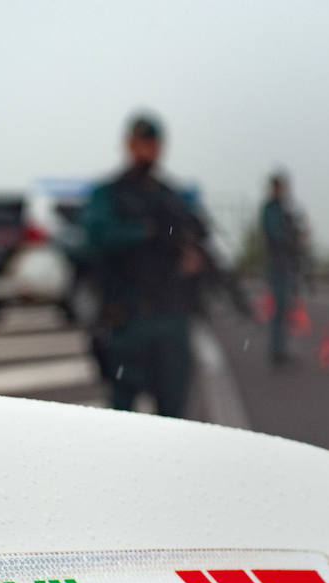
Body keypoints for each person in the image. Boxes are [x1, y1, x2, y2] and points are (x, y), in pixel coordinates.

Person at [81, 114, 207, 418]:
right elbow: (95, 239)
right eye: (140, 143)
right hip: (126, 322)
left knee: (174, 420)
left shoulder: (172, 197)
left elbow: (196, 247)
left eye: (151, 144)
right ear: (128, 145)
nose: (145, 151)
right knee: (123, 421)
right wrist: (147, 232)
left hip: (170, 320)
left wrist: (190, 255)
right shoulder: (108, 194)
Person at [260, 172, 303, 365]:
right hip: (277, 263)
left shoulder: (283, 209)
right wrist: (289, 238)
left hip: (286, 263)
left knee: (286, 307)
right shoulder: (270, 209)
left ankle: (281, 349)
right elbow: (275, 235)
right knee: (279, 307)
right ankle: (277, 351)